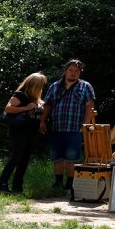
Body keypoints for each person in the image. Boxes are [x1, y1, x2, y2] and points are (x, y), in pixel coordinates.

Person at [39, 59, 96, 196]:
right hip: (56, 127)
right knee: (57, 157)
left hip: (75, 128)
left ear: (80, 72)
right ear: (65, 70)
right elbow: (47, 105)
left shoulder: (85, 86)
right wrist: (42, 121)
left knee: (71, 158)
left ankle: (70, 184)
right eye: (71, 70)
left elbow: (90, 106)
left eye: (77, 71)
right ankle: (58, 183)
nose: (73, 73)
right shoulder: (54, 86)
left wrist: (86, 125)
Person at [0, 72, 47, 194]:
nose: (42, 87)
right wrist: (27, 108)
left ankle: (17, 186)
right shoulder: (20, 95)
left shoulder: (35, 98)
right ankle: (2, 184)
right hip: (19, 131)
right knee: (16, 157)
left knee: (25, 159)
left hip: (31, 131)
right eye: (40, 85)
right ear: (34, 84)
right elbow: (8, 109)